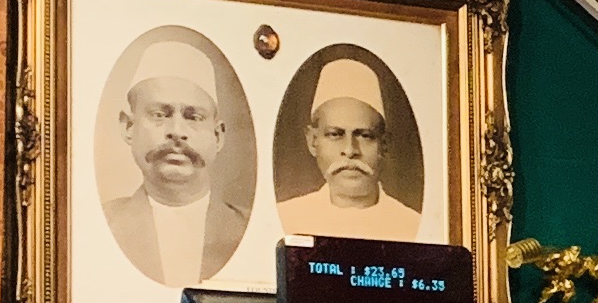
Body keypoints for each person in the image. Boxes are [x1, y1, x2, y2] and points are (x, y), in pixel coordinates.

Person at [99, 44, 241, 287]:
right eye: (159, 114)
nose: (176, 132)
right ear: (129, 127)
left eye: (193, 117)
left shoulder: (246, 230)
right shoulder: (101, 226)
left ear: (217, 136)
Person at [272, 54, 416, 242]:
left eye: (364, 135)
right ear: (313, 141)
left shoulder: (410, 223)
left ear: (384, 144)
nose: (350, 150)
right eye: (335, 134)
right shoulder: (289, 217)